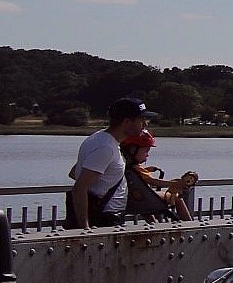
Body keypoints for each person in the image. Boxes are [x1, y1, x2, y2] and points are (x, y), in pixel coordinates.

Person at [67, 97, 154, 228]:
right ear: (127, 122)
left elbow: (75, 172)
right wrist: (85, 229)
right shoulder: (106, 147)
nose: (145, 124)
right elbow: (79, 188)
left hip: (106, 218)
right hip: (104, 220)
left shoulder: (98, 138)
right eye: (142, 119)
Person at [121, 132, 196, 221]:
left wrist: (147, 169)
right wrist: (173, 184)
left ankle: (152, 224)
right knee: (176, 197)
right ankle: (188, 223)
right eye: (146, 151)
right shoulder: (136, 168)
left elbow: (141, 176)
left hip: (133, 199)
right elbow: (153, 181)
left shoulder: (125, 166)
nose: (147, 155)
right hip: (143, 199)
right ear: (133, 150)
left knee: (146, 207)